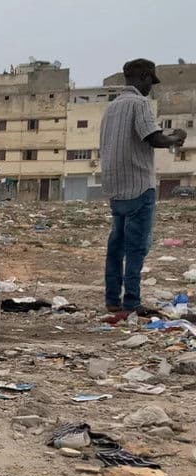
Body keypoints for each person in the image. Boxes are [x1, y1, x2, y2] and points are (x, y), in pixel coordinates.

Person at [101, 58, 187, 314]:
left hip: (115, 186)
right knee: (136, 248)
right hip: (139, 185)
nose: (151, 87)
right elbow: (154, 138)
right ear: (145, 77)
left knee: (116, 246)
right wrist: (176, 138)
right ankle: (131, 302)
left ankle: (112, 300)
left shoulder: (112, 107)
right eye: (151, 81)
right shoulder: (139, 103)